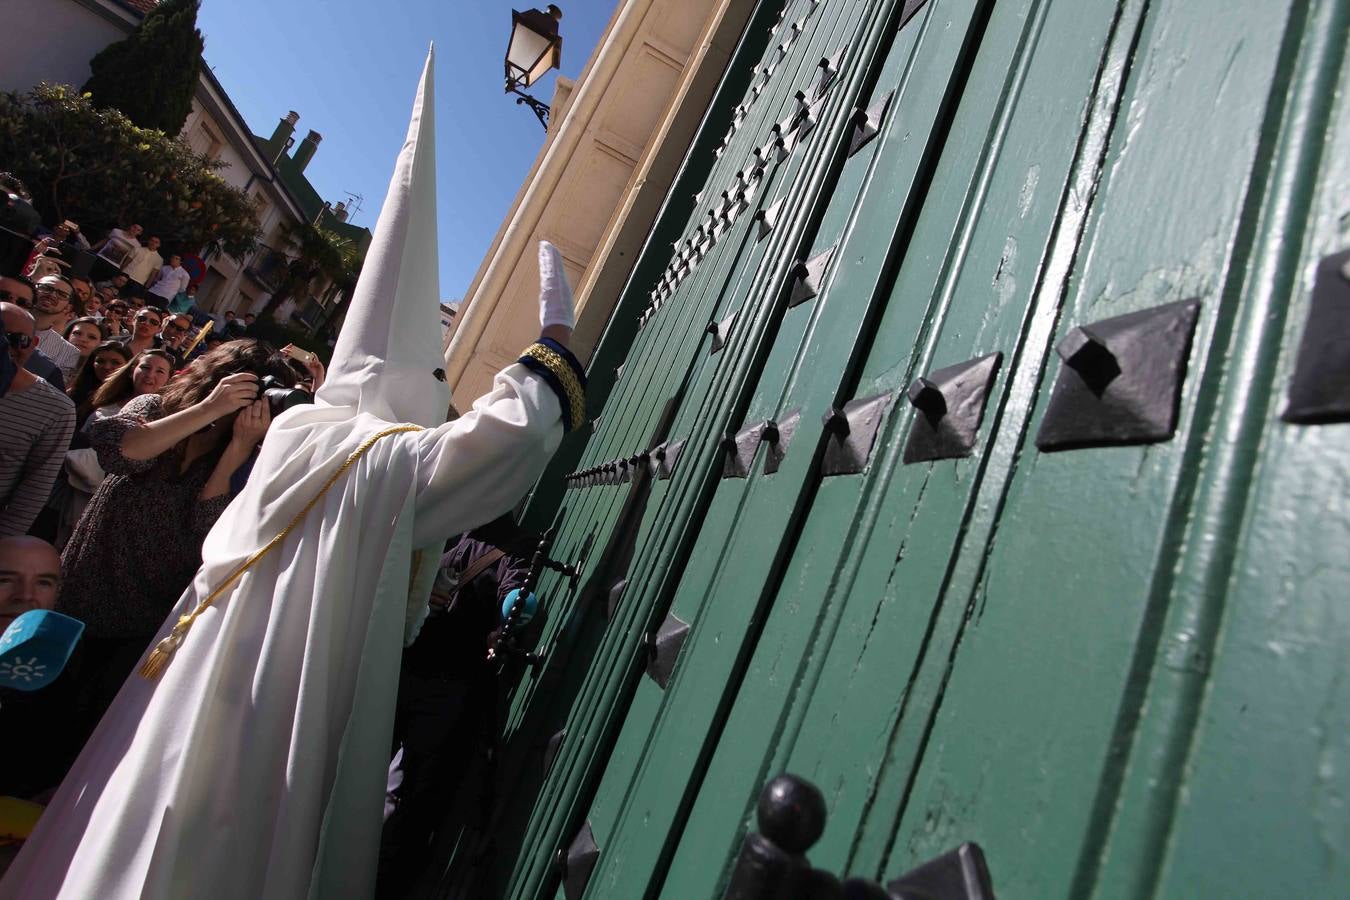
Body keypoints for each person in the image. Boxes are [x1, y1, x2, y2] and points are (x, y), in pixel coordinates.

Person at [0, 55, 586, 898]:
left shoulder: (302, 432)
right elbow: (498, 444)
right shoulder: (355, 451)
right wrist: (555, 346)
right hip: (257, 712)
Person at [52, 341, 297, 754]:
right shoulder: (155, 408)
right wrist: (208, 409)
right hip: (82, 591)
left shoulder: (247, 458)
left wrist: (237, 449)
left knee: (81, 740)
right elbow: (123, 451)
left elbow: (208, 530)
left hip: (146, 624)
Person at [377, 516, 533, 897]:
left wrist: (510, 614)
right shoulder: (438, 526)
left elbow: (514, 598)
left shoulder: (504, 543)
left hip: (439, 686)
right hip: (407, 675)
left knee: (402, 796)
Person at [0, 303, 75, 537]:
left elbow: (33, 491)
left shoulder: (57, 409)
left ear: (34, 344)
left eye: (17, 339)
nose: (5, 347)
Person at [28, 275, 82, 386]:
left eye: (62, 295)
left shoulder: (69, 352)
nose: (51, 295)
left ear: (68, 308)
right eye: (46, 288)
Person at [65, 341, 131, 423]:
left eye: (115, 362)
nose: (107, 367)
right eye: (100, 361)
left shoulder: (129, 400)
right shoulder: (74, 393)